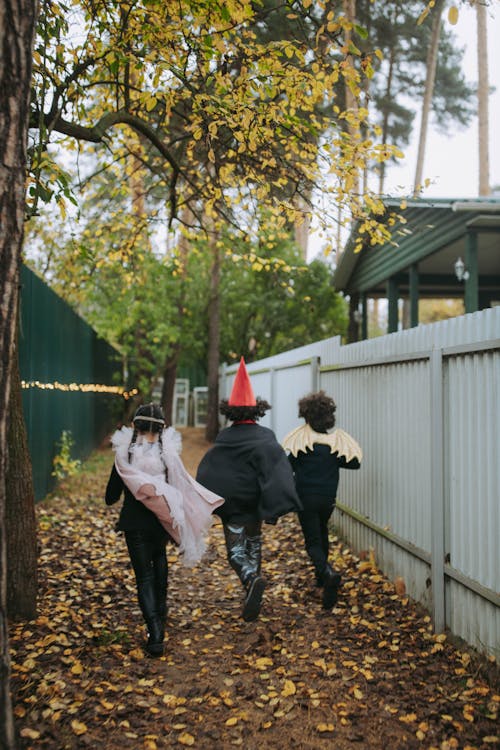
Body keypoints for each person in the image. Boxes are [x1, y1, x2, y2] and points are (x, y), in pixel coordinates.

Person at [105, 403, 224, 656]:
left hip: (134, 525)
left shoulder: (124, 456)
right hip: (161, 523)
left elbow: (110, 497)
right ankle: (161, 610)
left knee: (143, 577)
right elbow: (181, 489)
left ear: (135, 426)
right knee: (159, 561)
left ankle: (155, 632)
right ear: (162, 428)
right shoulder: (168, 457)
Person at [196, 357, 302, 622]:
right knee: (254, 546)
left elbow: (210, 469)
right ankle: (252, 589)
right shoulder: (265, 436)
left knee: (235, 553)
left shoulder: (225, 438)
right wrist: (275, 507)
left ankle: (250, 578)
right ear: (257, 411)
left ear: (230, 412)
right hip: (255, 505)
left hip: (233, 508)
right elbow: (279, 468)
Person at [282, 391, 362, 610]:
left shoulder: (303, 445)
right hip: (328, 499)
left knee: (313, 541)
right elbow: (355, 464)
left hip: (305, 498)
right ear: (329, 417)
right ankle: (321, 579)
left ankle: (327, 573)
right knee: (322, 530)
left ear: (306, 417)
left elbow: (287, 466)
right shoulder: (334, 445)